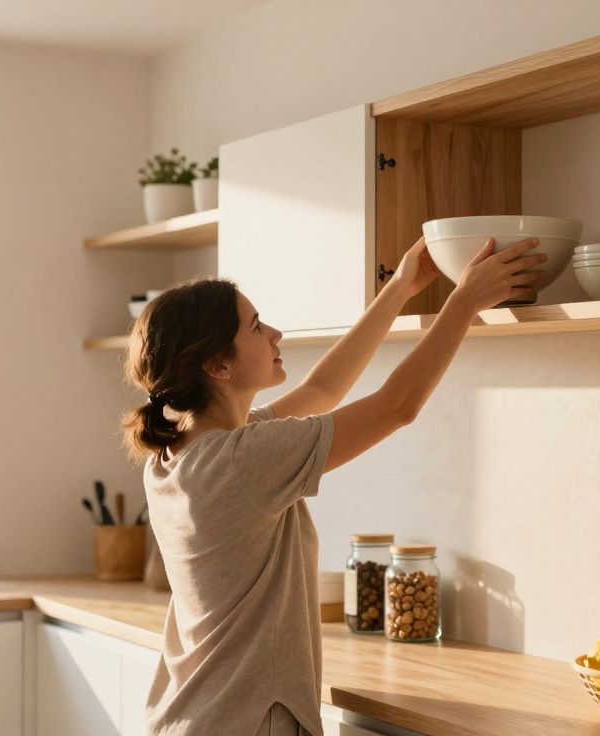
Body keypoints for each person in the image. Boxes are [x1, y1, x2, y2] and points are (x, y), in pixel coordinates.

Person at [122, 235, 545, 736]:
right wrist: (465, 301)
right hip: (247, 719)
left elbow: (321, 392)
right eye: (256, 327)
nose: (275, 333)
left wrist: (400, 289)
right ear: (218, 365)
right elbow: (397, 406)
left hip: (193, 715)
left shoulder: (181, 452)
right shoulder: (241, 459)